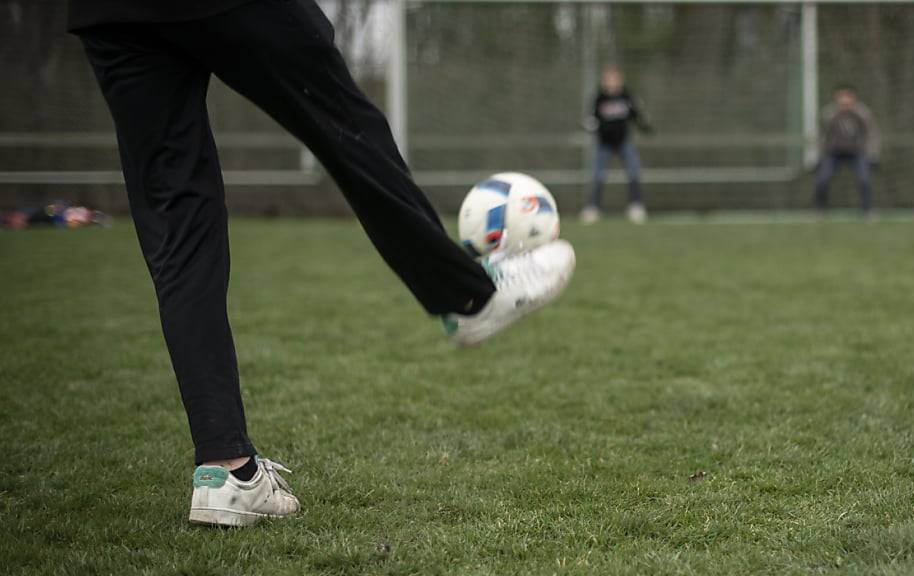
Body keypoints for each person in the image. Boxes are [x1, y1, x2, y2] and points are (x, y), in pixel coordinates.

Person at [68, 0, 575, 527]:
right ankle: (467, 298)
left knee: (178, 224)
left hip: (111, 13)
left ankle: (227, 471)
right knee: (342, 122)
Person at [581, 65, 653, 225]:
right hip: (604, 143)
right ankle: (593, 208)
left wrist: (645, 126)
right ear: (604, 81)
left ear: (620, 80)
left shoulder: (627, 96)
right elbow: (590, 119)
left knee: (633, 171)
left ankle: (636, 206)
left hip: (623, 142)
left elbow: (638, 114)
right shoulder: (599, 98)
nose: (611, 83)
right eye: (608, 79)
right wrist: (591, 125)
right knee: (598, 175)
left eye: (614, 79)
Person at [814, 85, 881, 215]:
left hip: (856, 152)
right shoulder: (829, 113)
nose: (844, 101)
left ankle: (867, 210)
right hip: (833, 153)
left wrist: (873, 153)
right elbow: (821, 135)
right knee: (822, 179)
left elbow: (872, 133)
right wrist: (818, 154)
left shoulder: (862, 113)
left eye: (847, 97)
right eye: (841, 97)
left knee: (864, 179)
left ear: (853, 98)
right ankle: (820, 210)